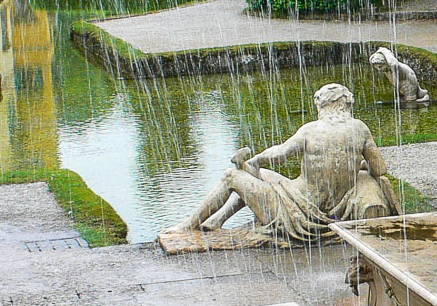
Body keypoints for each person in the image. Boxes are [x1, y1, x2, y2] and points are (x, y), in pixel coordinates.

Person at [170, 83, 397, 246]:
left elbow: (280, 153)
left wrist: (256, 159)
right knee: (264, 175)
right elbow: (380, 169)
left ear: (324, 106)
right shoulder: (359, 128)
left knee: (232, 176)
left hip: (297, 212)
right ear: (346, 105)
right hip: (333, 209)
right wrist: (360, 166)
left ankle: (188, 226)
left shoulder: (311, 130)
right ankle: (216, 221)